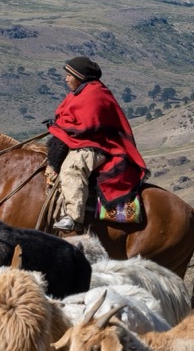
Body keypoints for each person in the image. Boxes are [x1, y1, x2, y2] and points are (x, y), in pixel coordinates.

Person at [45, 56, 149, 232]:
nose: (66, 78)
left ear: (79, 76)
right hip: (83, 142)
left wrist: (63, 129)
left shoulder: (94, 95)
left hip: (98, 146)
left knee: (72, 168)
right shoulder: (79, 93)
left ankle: (73, 217)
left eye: (69, 75)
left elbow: (83, 127)